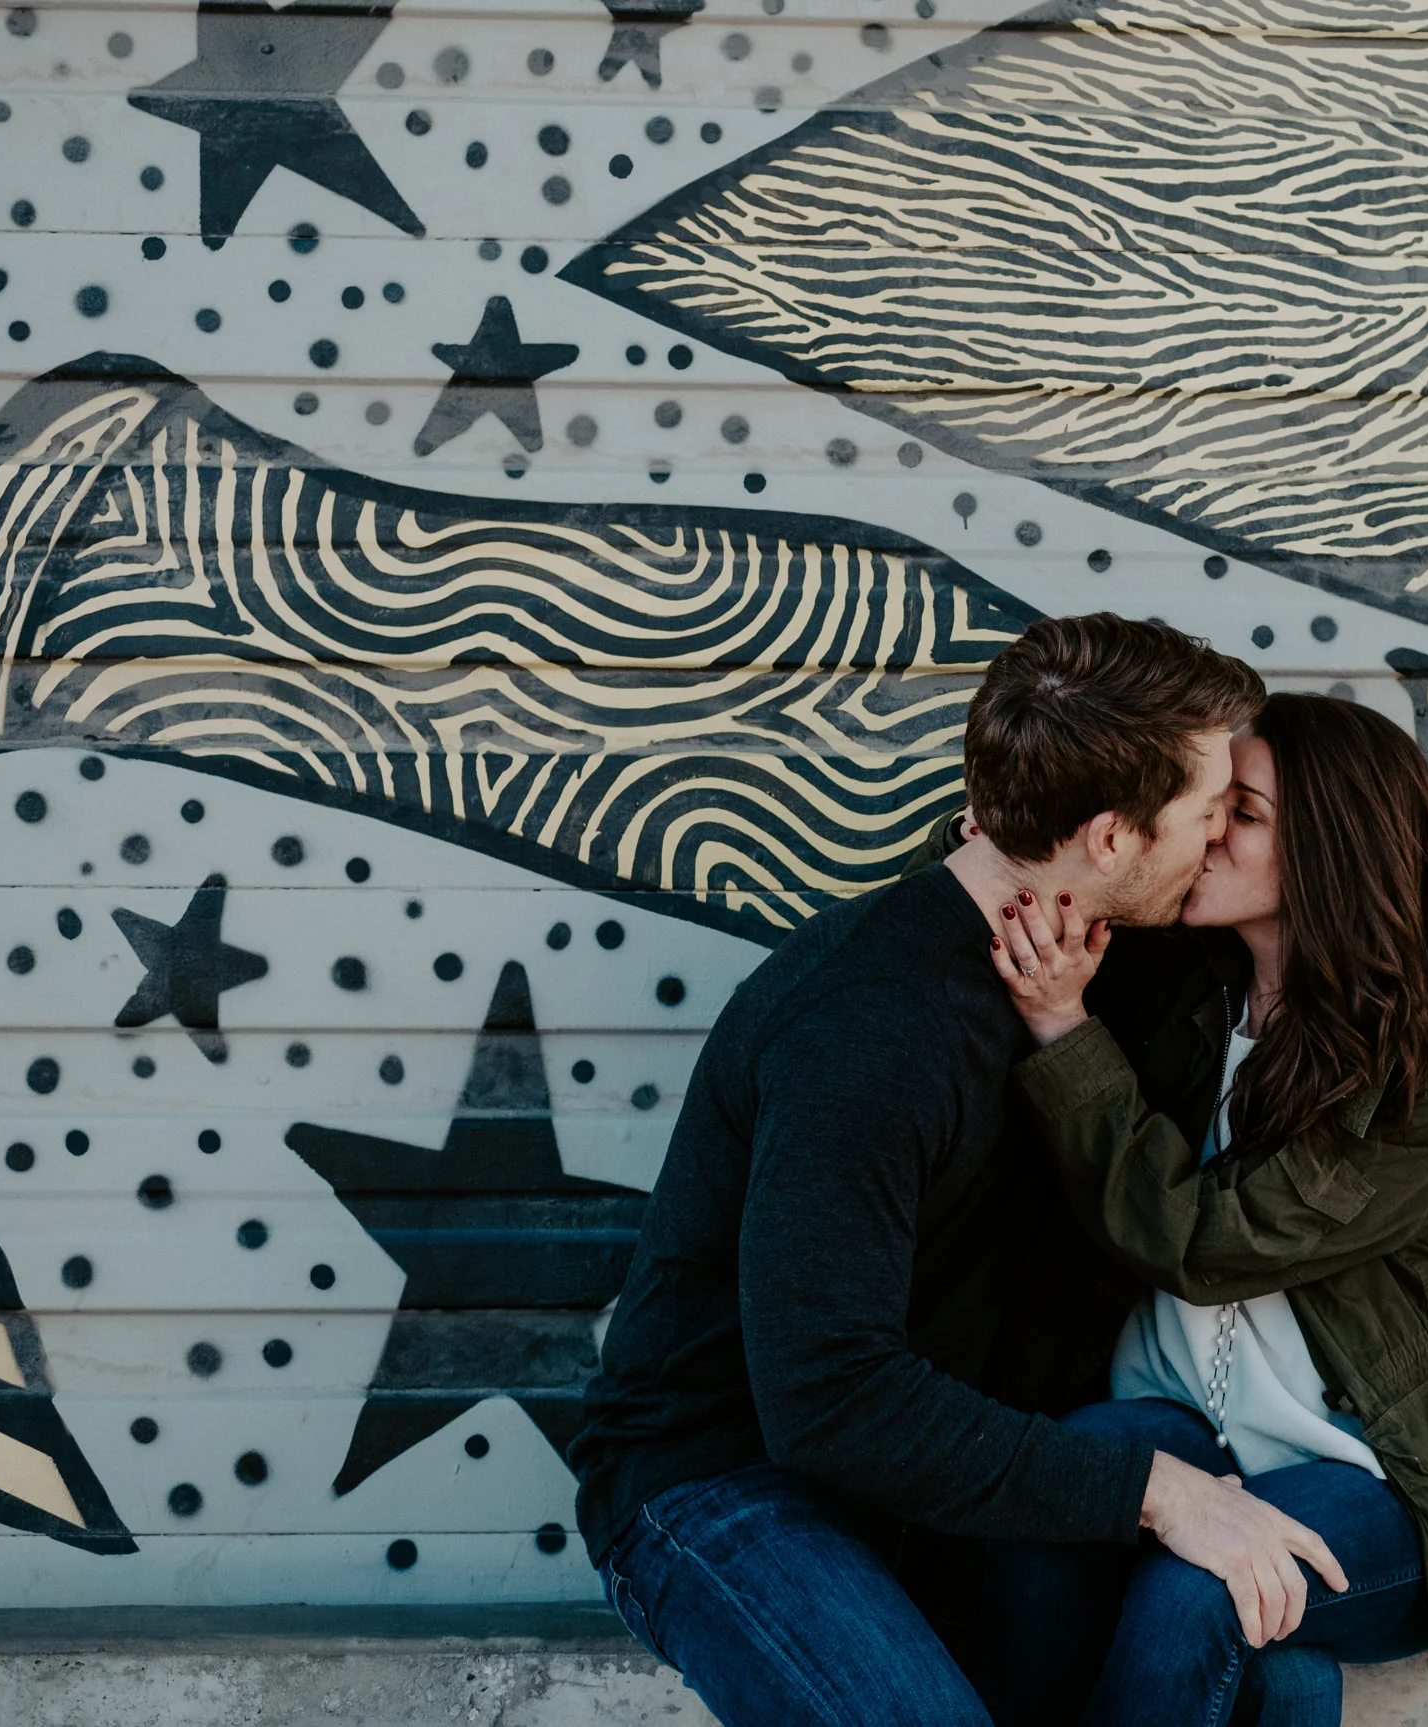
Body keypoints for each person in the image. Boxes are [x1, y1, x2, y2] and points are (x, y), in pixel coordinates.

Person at [568, 615, 1352, 1726]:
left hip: (947, 1487)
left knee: (1279, 1685)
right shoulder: (870, 1026)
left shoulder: (1110, 963)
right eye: (1205, 810)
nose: (1221, 835)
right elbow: (827, 1397)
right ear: (1112, 837)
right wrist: (1159, 1494)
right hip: (727, 1482)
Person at [972, 692, 1428, 1727]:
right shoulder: (1190, 982)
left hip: (1368, 1466)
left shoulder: (1422, 1072)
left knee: (1213, 1587)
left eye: (1246, 812)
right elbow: (1057, 867)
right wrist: (1011, 839)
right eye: (1215, 803)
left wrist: (1063, 1032)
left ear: (1330, 848)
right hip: (1183, 1417)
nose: (1210, 829)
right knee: (1041, 1513)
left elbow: (1209, 1242)